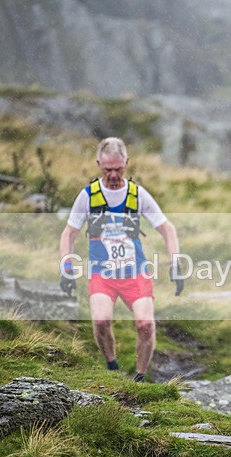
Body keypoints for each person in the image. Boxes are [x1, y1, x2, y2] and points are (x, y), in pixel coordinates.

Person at [59, 137, 183, 382]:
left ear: (126, 162)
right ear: (98, 164)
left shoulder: (137, 194)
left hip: (135, 272)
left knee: (145, 325)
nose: (113, 175)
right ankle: (112, 366)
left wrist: (176, 263)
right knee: (101, 321)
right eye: (108, 169)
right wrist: (66, 266)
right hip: (101, 274)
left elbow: (167, 229)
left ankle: (139, 376)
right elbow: (69, 233)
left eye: (118, 169)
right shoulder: (88, 196)